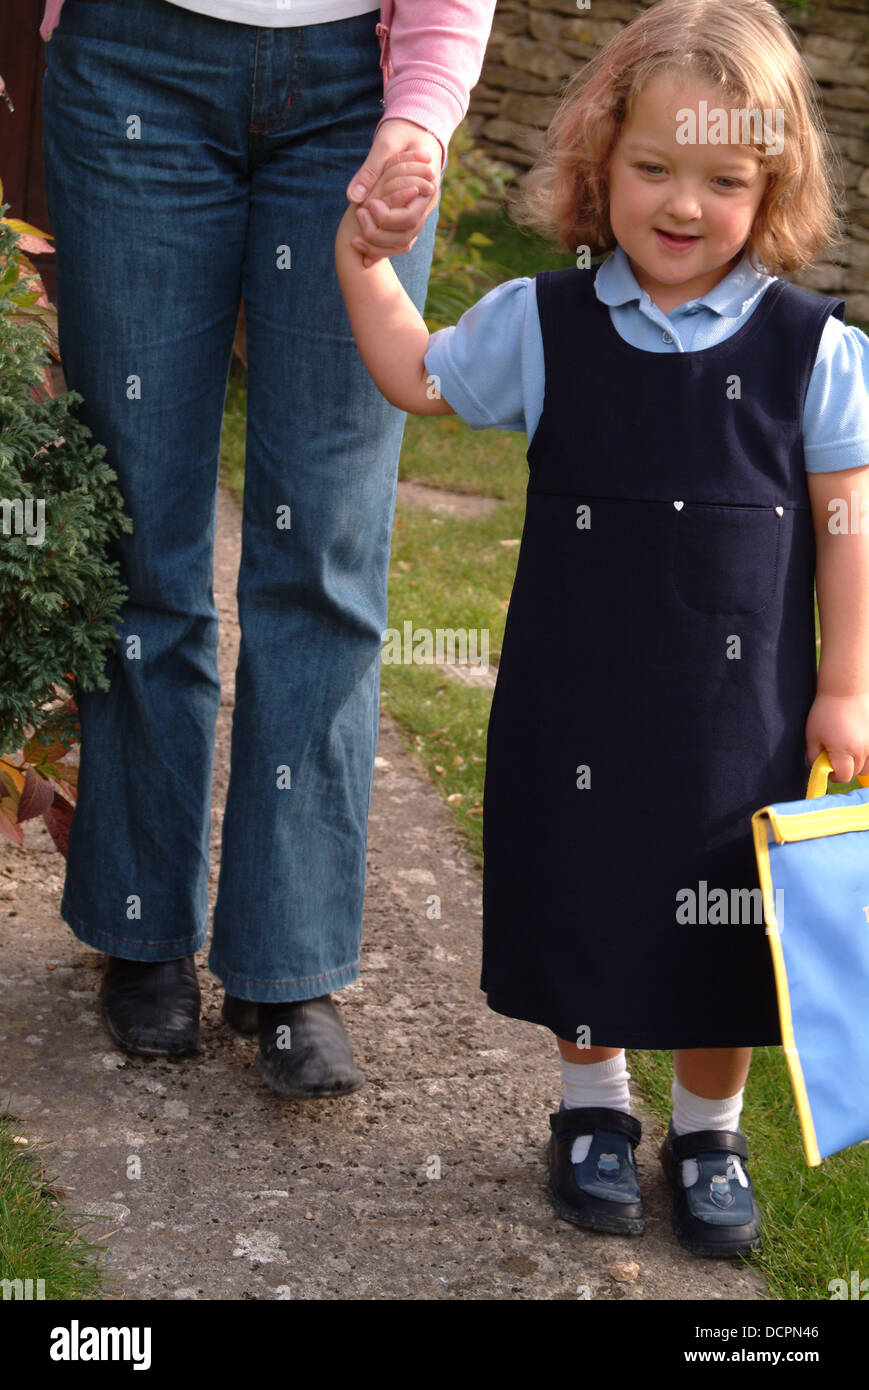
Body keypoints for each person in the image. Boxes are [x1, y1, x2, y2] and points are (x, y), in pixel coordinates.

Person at [336, 0, 869, 1255]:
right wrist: (363, 263)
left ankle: (706, 1132)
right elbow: (415, 376)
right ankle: (589, 1112)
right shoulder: (544, 323)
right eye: (651, 169)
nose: (681, 205)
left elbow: (847, 528)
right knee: (584, 892)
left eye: (721, 180)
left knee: (721, 916)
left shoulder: (815, 354)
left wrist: (843, 687)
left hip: (734, 721)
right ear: (598, 159)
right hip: (574, 704)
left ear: (772, 181)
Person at [39, 0, 495, 1097]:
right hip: (130, 64)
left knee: (326, 550)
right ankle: (142, 928)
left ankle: (287, 960)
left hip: (354, 90)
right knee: (141, 532)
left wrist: (422, 113)